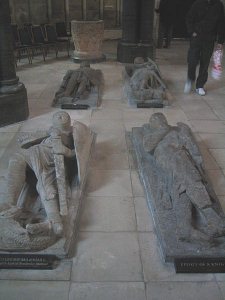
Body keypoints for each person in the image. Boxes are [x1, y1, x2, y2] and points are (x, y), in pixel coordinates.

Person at [143, 113, 225, 241]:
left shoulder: (178, 132)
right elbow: (147, 147)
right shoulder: (152, 135)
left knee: (186, 186)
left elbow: (193, 150)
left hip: (181, 160)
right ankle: (201, 225)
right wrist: (164, 129)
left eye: (160, 118)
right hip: (167, 162)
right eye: (154, 119)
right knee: (183, 187)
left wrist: (186, 134)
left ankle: (195, 226)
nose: (158, 121)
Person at [3, 111, 76, 237]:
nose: (60, 116)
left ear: (69, 121)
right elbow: (28, 140)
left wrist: (66, 151)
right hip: (35, 153)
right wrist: (46, 134)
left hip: (52, 162)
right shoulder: (50, 130)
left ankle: (53, 223)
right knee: (16, 158)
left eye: (63, 115)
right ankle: (9, 203)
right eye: (57, 115)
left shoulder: (72, 133)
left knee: (46, 187)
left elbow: (78, 153)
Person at [184, 0, 225, 96]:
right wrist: (192, 32)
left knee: (205, 62)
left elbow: (221, 23)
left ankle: (200, 85)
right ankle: (190, 79)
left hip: (209, 38)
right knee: (192, 60)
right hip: (196, 36)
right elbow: (189, 18)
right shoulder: (197, 3)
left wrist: (220, 41)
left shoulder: (218, 5)